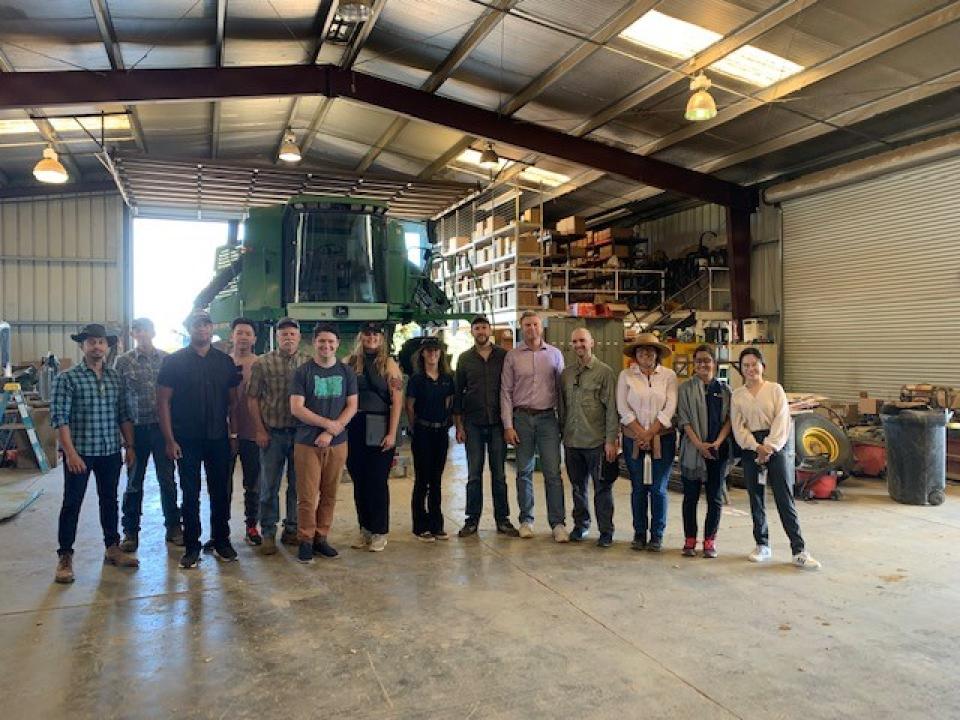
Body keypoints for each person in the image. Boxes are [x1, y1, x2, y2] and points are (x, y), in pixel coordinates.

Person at [52, 323, 139, 583]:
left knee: (109, 500)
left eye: (101, 342)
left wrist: (130, 446)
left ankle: (112, 548)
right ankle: (65, 556)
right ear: (82, 346)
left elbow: (123, 414)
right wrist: (70, 453)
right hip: (81, 452)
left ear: (108, 346)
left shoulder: (115, 378)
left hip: (110, 450)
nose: (97, 347)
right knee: (72, 503)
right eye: (91, 342)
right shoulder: (67, 379)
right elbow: (60, 419)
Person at [157, 310, 241, 568]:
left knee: (220, 491)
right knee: (190, 493)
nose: (202, 329)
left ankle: (221, 540)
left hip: (218, 438)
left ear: (212, 328)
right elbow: (163, 402)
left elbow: (233, 402)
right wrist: (170, 441)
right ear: (189, 329)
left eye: (206, 325)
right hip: (186, 440)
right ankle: (192, 546)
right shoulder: (173, 362)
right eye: (197, 325)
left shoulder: (224, 362)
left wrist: (233, 435)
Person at [731, 347, 821, 570]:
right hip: (751, 446)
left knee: (784, 497)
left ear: (763, 366)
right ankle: (762, 545)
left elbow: (782, 420)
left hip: (775, 446)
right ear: (741, 370)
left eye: (754, 364)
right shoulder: (737, 395)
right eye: (746, 366)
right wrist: (755, 447)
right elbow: (738, 427)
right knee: (756, 497)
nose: (751, 369)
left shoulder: (775, 390)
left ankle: (798, 550)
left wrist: (768, 447)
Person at [289, 323, 358, 564]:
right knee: (307, 496)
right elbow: (297, 408)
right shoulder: (303, 372)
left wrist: (331, 430)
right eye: (321, 341)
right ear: (313, 343)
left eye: (331, 341)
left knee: (330, 493)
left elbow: (352, 406)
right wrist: (328, 424)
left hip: (337, 443)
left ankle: (321, 537)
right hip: (307, 443)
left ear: (337, 344)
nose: (326, 346)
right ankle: (306, 539)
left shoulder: (346, 372)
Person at [115, 317, 181, 550]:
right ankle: (130, 532)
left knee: (168, 480)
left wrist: (172, 436)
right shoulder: (123, 362)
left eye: (146, 329)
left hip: (162, 429)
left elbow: (175, 398)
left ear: (153, 332)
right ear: (133, 334)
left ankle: (174, 527)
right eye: (138, 330)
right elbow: (119, 400)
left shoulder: (167, 359)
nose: (142, 334)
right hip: (136, 430)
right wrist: (126, 441)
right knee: (134, 482)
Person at [500, 311, 566, 541]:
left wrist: (563, 423)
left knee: (553, 472)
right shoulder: (513, 356)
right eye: (527, 325)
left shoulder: (555, 355)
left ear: (542, 327)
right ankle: (526, 520)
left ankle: (557, 523)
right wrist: (508, 425)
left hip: (548, 418)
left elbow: (561, 391)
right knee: (524, 472)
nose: (532, 329)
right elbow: (506, 392)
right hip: (522, 419)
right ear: (522, 328)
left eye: (535, 324)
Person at [247, 317, 311, 555]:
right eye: (283, 334)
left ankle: (292, 529)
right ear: (277, 337)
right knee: (269, 486)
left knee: (298, 485)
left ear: (299, 337)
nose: (288, 338)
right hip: (273, 435)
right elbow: (252, 398)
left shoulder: (308, 363)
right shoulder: (262, 363)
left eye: (292, 334)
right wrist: (259, 430)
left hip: (302, 435)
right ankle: (268, 533)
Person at [453, 316, 518, 537]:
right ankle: (472, 521)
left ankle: (503, 520)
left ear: (490, 330)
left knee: (499, 474)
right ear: (472, 332)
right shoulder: (464, 359)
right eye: (477, 328)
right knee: (474, 474)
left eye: (484, 327)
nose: (481, 331)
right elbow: (458, 395)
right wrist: (459, 426)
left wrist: (511, 423)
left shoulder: (504, 356)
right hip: (473, 424)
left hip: (498, 424)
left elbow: (512, 390)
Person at [616, 333, 678, 552]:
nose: (646, 353)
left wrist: (650, 433)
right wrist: (640, 434)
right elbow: (622, 408)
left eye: (650, 350)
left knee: (659, 489)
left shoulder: (669, 376)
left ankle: (657, 535)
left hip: (663, 440)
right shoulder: (626, 376)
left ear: (657, 354)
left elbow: (670, 407)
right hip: (634, 440)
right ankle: (639, 533)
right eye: (641, 350)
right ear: (635, 354)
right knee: (639, 488)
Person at [345, 322, 403, 553]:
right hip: (355, 425)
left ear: (381, 338)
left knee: (377, 481)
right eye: (367, 334)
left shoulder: (389, 364)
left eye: (375, 334)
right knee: (359, 480)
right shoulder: (349, 363)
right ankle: (365, 529)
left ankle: (380, 531)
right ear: (361, 336)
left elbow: (397, 401)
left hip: (380, 424)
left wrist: (392, 432)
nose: (371, 338)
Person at [558, 327, 619, 547]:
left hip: (596, 443)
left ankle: (606, 531)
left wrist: (611, 440)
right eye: (574, 342)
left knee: (602, 488)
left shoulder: (604, 373)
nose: (578, 345)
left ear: (592, 342)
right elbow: (562, 408)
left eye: (582, 340)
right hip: (572, 442)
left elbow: (612, 409)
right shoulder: (566, 374)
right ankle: (581, 525)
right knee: (577, 487)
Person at [676, 345, 731, 558]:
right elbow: (684, 419)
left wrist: (717, 442)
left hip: (718, 451)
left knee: (714, 498)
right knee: (690, 497)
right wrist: (699, 444)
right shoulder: (685, 389)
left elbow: (729, 420)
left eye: (707, 360)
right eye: (698, 361)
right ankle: (690, 539)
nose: (703, 364)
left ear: (715, 364)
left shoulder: (725, 391)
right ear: (694, 364)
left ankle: (710, 541)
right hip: (693, 450)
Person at [406, 337, 455, 542]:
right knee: (422, 480)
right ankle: (420, 526)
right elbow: (409, 405)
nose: (433, 354)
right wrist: (415, 426)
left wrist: (446, 422)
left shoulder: (446, 378)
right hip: (423, 432)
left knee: (436, 480)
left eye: (436, 350)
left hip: (441, 433)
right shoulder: (417, 380)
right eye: (429, 351)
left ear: (440, 353)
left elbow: (449, 401)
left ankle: (437, 525)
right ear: (423, 354)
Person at [227, 318, 262, 547]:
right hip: (223, 433)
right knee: (222, 484)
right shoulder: (221, 362)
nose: (243, 337)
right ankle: (221, 529)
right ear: (232, 336)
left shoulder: (261, 364)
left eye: (247, 333)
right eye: (239, 332)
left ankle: (252, 526)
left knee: (253, 482)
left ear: (254, 339)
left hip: (252, 433)